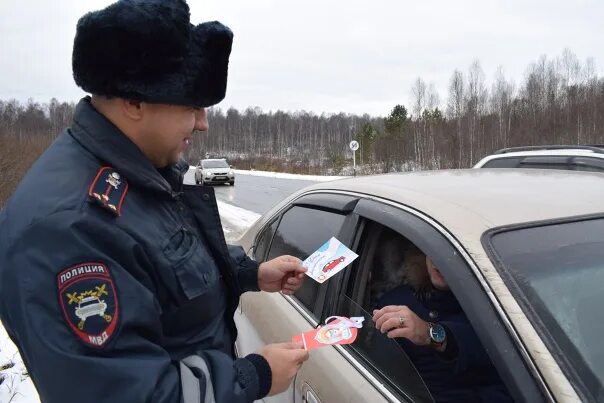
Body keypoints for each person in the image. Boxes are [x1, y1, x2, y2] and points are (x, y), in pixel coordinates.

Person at [0, 1, 309, 402]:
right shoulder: (68, 228)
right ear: (134, 102)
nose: (203, 122)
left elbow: (167, 261)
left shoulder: (139, 172)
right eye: (191, 105)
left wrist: (250, 272)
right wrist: (254, 376)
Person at [373, 254, 512, 402]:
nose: (438, 261)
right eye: (430, 251)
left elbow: (492, 345)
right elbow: (381, 380)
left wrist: (429, 333)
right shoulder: (396, 305)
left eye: (456, 256)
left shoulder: (501, 306)